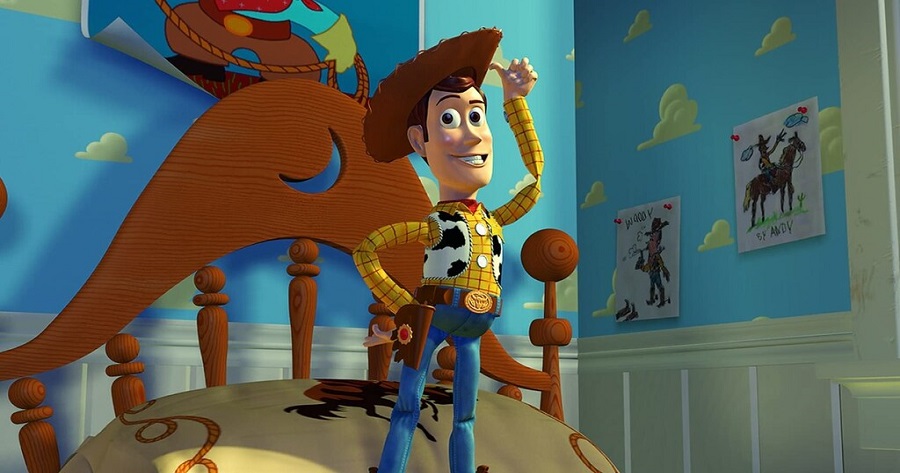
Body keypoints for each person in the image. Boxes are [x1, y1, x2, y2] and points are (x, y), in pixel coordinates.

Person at [352, 28, 542, 473]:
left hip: (475, 327)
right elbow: (367, 250)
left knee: (466, 416)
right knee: (407, 406)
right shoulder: (435, 226)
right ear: (421, 142)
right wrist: (407, 309)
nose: (473, 136)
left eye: (476, 116)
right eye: (451, 119)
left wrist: (516, 102)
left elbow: (534, 184)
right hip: (435, 319)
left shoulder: (492, 219)